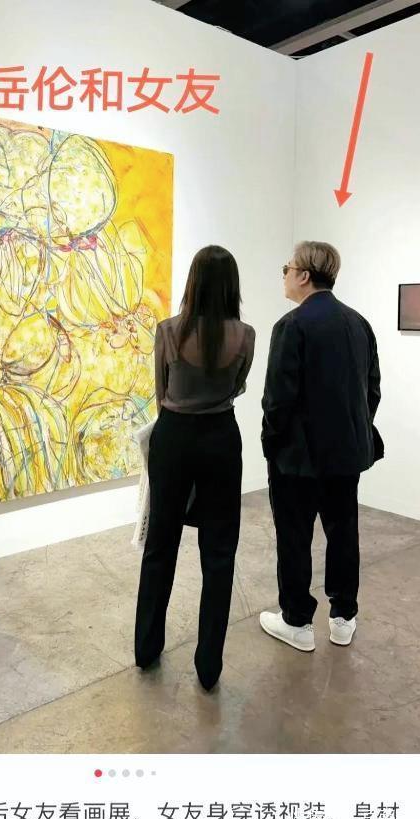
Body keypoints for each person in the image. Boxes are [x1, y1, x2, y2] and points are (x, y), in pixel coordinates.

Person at [135, 245, 255, 691]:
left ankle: (146, 648)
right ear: (231, 286)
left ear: (192, 282)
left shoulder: (168, 331)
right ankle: (209, 666)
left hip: (174, 436)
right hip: (221, 438)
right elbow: (237, 386)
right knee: (219, 553)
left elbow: (161, 389)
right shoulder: (245, 335)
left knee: (160, 545)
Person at [260, 241, 383, 652]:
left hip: (298, 458)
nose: (284, 274)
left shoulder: (291, 326)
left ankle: (297, 621)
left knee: (294, 537)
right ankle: (343, 616)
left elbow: (278, 400)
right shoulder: (359, 324)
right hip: (346, 455)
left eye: (287, 267)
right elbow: (371, 390)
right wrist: (353, 431)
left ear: (303, 276)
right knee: (343, 533)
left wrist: (271, 443)